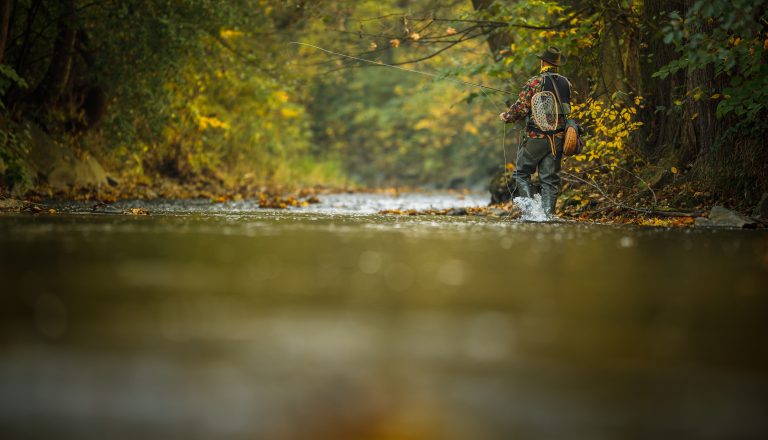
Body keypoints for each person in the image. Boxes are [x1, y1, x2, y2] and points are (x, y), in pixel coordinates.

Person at [499, 46, 572, 216]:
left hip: (535, 137)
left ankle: (531, 213)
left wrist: (506, 116)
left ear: (542, 61)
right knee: (550, 180)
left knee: (521, 173)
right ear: (557, 64)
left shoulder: (534, 82)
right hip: (558, 138)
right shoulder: (566, 83)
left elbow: (521, 109)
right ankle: (546, 217)